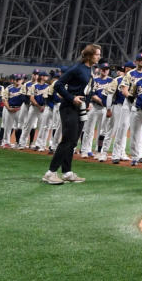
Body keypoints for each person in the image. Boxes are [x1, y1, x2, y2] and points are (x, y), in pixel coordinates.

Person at [41, 43, 102, 184]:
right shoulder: (77, 68)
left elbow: (86, 89)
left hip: (80, 108)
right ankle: (50, 173)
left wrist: (88, 102)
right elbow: (58, 84)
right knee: (68, 140)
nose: (99, 57)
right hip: (69, 107)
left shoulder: (89, 69)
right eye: (97, 54)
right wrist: (71, 98)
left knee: (74, 141)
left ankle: (67, 172)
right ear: (88, 55)